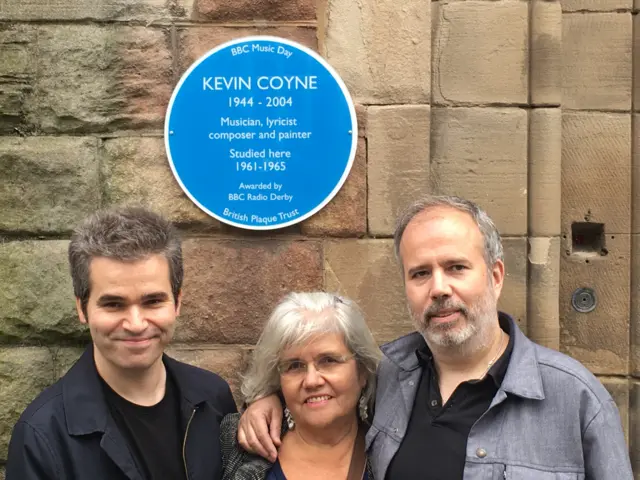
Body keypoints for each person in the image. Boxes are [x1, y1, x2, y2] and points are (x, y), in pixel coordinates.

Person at [235, 195, 634, 479]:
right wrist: (268, 399)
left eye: (456, 267)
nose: (438, 288)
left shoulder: (574, 397)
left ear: (495, 276)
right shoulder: (386, 373)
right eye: (420, 273)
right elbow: (322, 387)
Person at [6, 206, 237, 480]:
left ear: (177, 302)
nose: (136, 324)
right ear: (82, 309)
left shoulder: (214, 398)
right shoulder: (42, 434)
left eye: (152, 301)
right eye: (114, 304)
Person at [220, 291, 381, 479]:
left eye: (329, 361)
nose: (312, 381)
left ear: (362, 371)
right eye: (295, 366)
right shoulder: (239, 443)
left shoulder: (394, 444)